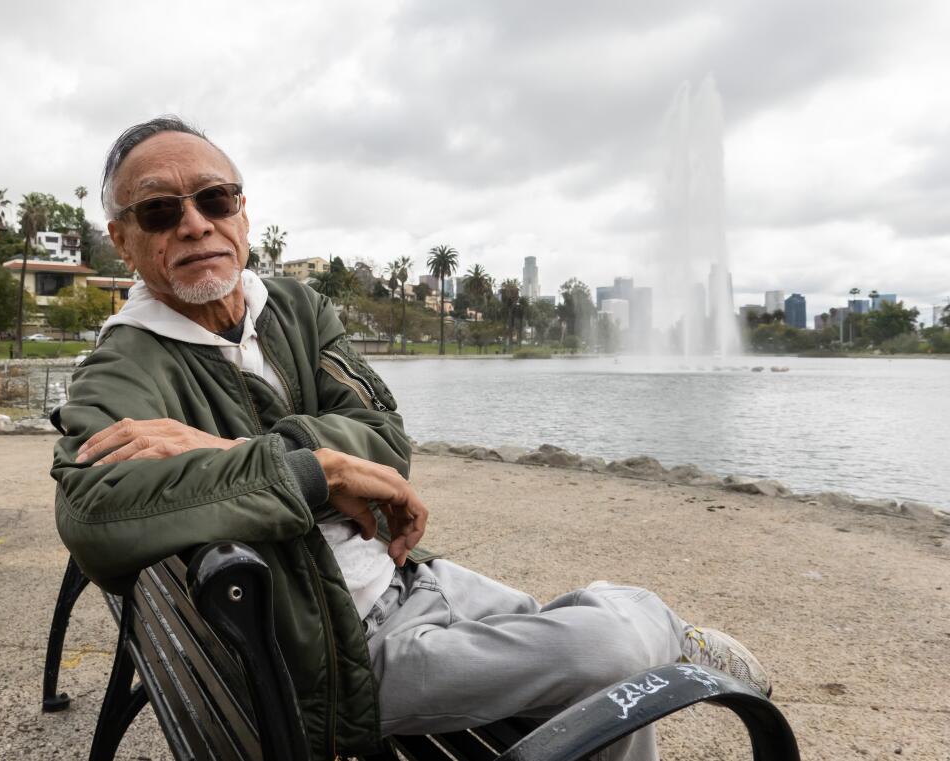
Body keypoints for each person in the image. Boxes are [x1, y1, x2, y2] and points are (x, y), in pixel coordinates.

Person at [50, 117, 771, 761]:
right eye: (159, 210)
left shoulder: (296, 308)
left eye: (215, 199)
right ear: (123, 239)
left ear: (241, 210)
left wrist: (260, 456)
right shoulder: (124, 367)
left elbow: (386, 436)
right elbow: (94, 513)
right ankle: (666, 627)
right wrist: (317, 470)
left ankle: (641, 622)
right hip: (336, 658)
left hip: (405, 579)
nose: (195, 223)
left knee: (600, 678)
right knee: (617, 648)